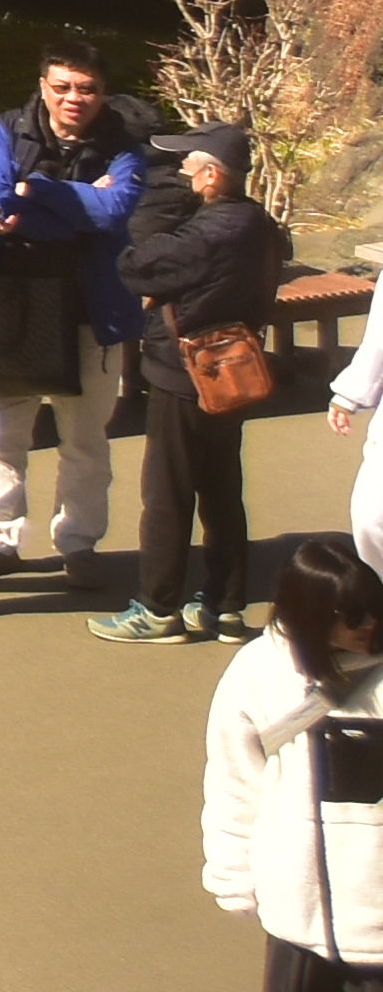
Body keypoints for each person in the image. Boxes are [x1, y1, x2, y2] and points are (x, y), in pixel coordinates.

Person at [0, 30, 150, 588]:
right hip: (16, 299)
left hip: (93, 308)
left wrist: (35, 189)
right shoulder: (4, 130)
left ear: (104, 93)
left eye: (87, 89)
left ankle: (80, 543)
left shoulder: (125, 147)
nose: (74, 98)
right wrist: (76, 205)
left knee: (85, 438)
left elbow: (114, 213)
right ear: (42, 86)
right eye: (62, 86)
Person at [119, 122, 297, 645]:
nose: (180, 172)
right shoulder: (261, 224)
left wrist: (158, 216)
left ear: (213, 174)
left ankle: (157, 608)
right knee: (222, 490)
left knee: (167, 492)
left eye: (188, 165)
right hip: (234, 369)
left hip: (184, 374)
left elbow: (134, 266)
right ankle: (225, 606)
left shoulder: (204, 232)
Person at [206, 533, 383, 992]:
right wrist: (234, 877)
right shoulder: (258, 673)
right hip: (298, 927)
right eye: (352, 615)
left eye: (374, 609)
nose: (369, 625)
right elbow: (234, 780)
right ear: (312, 616)